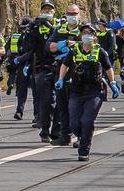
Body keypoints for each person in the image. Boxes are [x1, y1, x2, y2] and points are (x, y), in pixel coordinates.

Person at [55, 23, 119, 161]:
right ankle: (82, 135)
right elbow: (64, 65)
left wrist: (113, 82)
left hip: (94, 91)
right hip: (76, 91)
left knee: (87, 121)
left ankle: (84, 149)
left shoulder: (100, 51)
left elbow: (108, 68)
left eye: (90, 33)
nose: (87, 35)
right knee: (74, 123)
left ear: (95, 36)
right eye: (84, 32)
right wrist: (60, 79)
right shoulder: (74, 50)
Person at [21, 1, 59, 139]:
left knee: (59, 101)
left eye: (50, 9)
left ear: (54, 11)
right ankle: (44, 130)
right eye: (45, 9)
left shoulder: (60, 26)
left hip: (60, 67)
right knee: (45, 100)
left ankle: (57, 131)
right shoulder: (35, 27)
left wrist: (52, 27)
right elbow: (27, 47)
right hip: (42, 68)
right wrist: (31, 28)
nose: (47, 11)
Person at [47, 3, 82, 147]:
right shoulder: (59, 30)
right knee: (62, 103)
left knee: (77, 104)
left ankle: (81, 136)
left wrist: (74, 44)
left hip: (79, 70)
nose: (72, 16)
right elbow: (50, 47)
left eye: (74, 13)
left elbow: (91, 45)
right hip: (61, 69)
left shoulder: (84, 30)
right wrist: (62, 44)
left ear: (79, 14)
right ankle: (65, 135)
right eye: (69, 13)